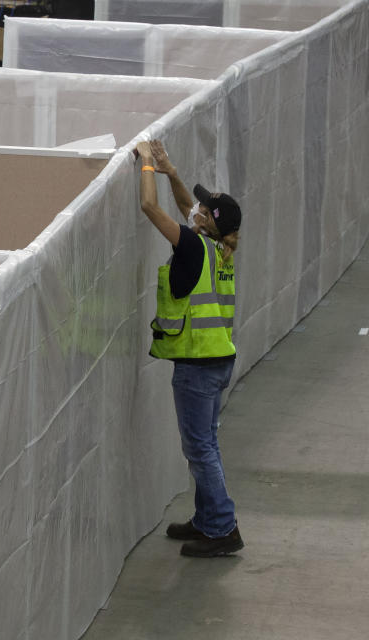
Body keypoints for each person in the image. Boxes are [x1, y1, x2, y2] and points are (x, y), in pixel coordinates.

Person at [136, 139, 244, 558]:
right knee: (207, 443)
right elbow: (184, 209)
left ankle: (222, 529)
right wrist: (173, 173)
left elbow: (150, 208)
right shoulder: (220, 249)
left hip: (198, 366)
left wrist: (146, 166)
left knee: (199, 448)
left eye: (201, 208)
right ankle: (206, 520)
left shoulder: (193, 244)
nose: (193, 208)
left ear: (208, 223)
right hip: (217, 361)